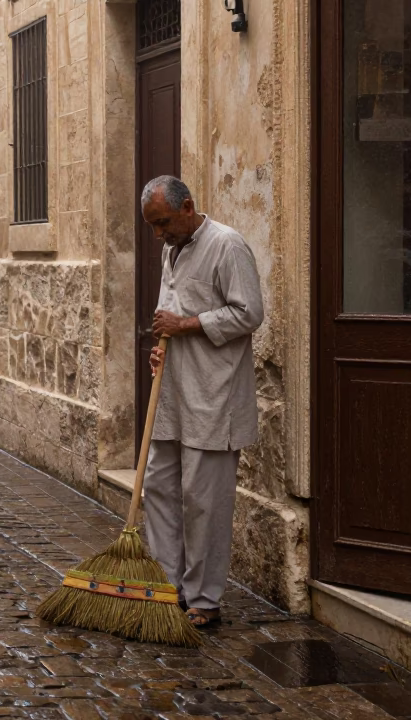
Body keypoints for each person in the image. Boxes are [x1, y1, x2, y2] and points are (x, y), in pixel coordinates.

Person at [140, 175, 265, 628]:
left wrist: (186, 325)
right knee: (159, 486)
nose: (158, 234)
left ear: (188, 206)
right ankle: (167, 584)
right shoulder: (170, 249)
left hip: (215, 393)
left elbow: (249, 311)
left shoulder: (228, 245)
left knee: (204, 500)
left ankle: (205, 600)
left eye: (163, 223)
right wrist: (162, 341)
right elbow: (169, 313)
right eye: (153, 226)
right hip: (171, 388)